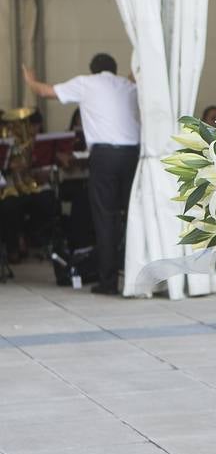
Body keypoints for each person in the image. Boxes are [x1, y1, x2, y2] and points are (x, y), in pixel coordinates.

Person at [23, 54, 139, 296]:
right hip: (133, 154)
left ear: (92, 69)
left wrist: (30, 80)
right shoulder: (127, 85)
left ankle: (109, 283)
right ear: (114, 69)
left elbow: (45, 92)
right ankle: (137, 276)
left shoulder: (87, 83)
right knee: (134, 215)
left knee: (106, 218)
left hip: (105, 156)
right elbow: (134, 81)